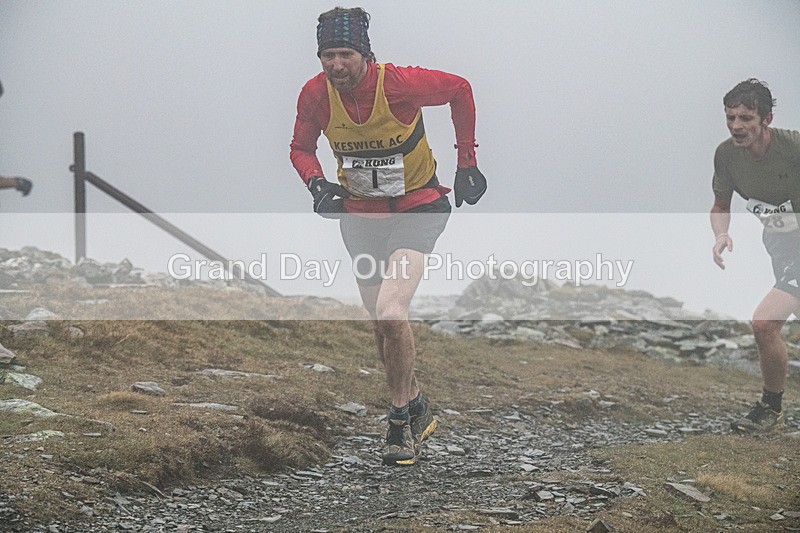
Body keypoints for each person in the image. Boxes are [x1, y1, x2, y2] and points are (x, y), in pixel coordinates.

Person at [290, 7, 487, 465]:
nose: (336, 65)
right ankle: (414, 399)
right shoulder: (315, 95)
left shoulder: (396, 84)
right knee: (381, 326)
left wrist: (467, 162)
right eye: (327, 55)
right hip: (360, 218)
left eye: (345, 53)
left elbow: (460, 89)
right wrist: (317, 183)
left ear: (364, 53)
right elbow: (301, 148)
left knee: (391, 309)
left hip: (418, 209)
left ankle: (399, 423)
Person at [711, 78, 800, 433]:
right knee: (766, 327)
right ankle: (772, 411)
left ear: (767, 119)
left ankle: (769, 409)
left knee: (764, 323)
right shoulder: (726, 155)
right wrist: (721, 234)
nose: (736, 126)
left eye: (746, 118)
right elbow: (720, 204)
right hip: (781, 245)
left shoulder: (792, 146)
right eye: (730, 117)